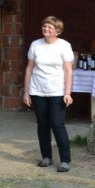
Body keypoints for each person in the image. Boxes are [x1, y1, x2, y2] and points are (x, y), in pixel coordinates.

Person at [22, 15, 74, 172]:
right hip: (38, 90)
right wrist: (26, 92)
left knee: (57, 125)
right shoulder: (35, 45)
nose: (46, 29)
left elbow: (68, 71)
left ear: (57, 31)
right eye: (44, 26)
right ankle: (46, 157)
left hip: (57, 91)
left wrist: (67, 92)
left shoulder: (64, 46)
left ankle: (65, 160)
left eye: (50, 27)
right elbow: (29, 69)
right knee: (42, 125)